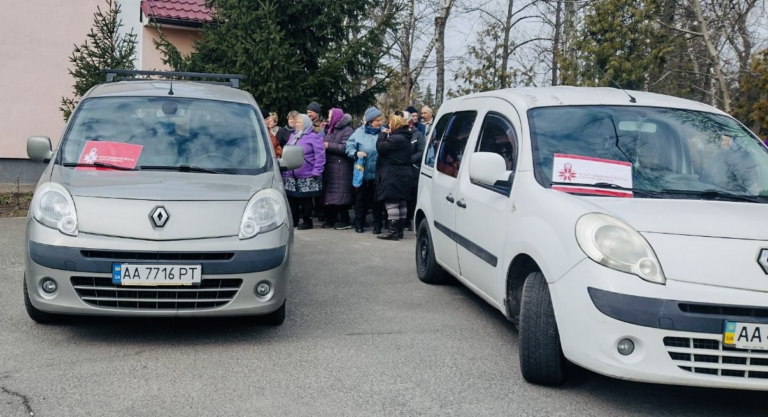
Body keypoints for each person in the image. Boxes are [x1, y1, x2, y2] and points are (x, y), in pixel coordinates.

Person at [282, 114, 325, 230]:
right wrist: (285, 171)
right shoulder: (293, 136)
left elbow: (320, 156)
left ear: (306, 123)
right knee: (292, 199)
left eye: (299, 122)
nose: (296, 124)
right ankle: (294, 220)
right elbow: (287, 153)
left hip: (308, 174)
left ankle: (307, 221)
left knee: (306, 199)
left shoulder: (314, 137)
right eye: (296, 122)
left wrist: (317, 171)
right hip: (292, 174)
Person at [347, 106, 385, 234]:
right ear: (370, 121)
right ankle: (359, 223)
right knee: (360, 200)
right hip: (362, 173)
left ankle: (378, 225)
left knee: (377, 201)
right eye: (377, 120)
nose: (380, 123)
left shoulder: (385, 132)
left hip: (379, 173)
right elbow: (349, 147)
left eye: (381, 120)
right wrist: (356, 153)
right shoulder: (359, 132)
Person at [376, 112, 413, 240]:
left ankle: (392, 232)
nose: (389, 126)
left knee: (391, 201)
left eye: (391, 124)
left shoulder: (395, 139)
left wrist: (382, 135)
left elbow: (380, 148)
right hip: (405, 174)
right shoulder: (406, 138)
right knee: (401, 202)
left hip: (394, 174)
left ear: (395, 125)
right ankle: (400, 231)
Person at [322, 109, 355, 229]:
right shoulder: (331, 129)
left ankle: (345, 220)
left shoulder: (347, 130)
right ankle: (331, 219)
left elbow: (346, 147)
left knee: (341, 194)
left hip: (341, 167)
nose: (328, 118)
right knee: (330, 194)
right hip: (330, 167)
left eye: (329, 115)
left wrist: (328, 145)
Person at [405, 111, 426, 231]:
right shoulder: (401, 134)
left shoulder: (418, 135)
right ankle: (404, 220)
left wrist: (411, 159)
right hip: (402, 169)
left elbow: (422, 151)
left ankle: (411, 218)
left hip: (414, 169)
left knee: (412, 196)